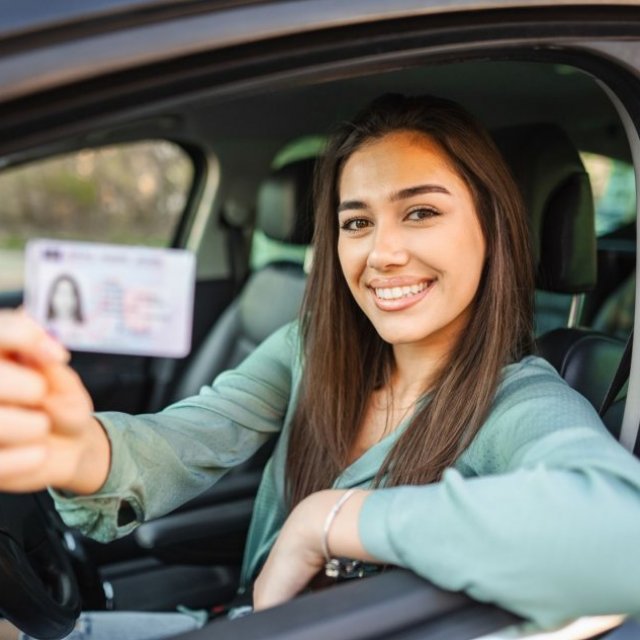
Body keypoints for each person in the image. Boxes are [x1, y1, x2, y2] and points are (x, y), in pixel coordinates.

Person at [0, 94, 639, 640]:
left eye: (420, 211)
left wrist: (325, 521)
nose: (382, 253)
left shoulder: (520, 402)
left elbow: (622, 537)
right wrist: (74, 448)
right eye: (356, 221)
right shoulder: (310, 347)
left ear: (493, 229)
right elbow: (190, 436)